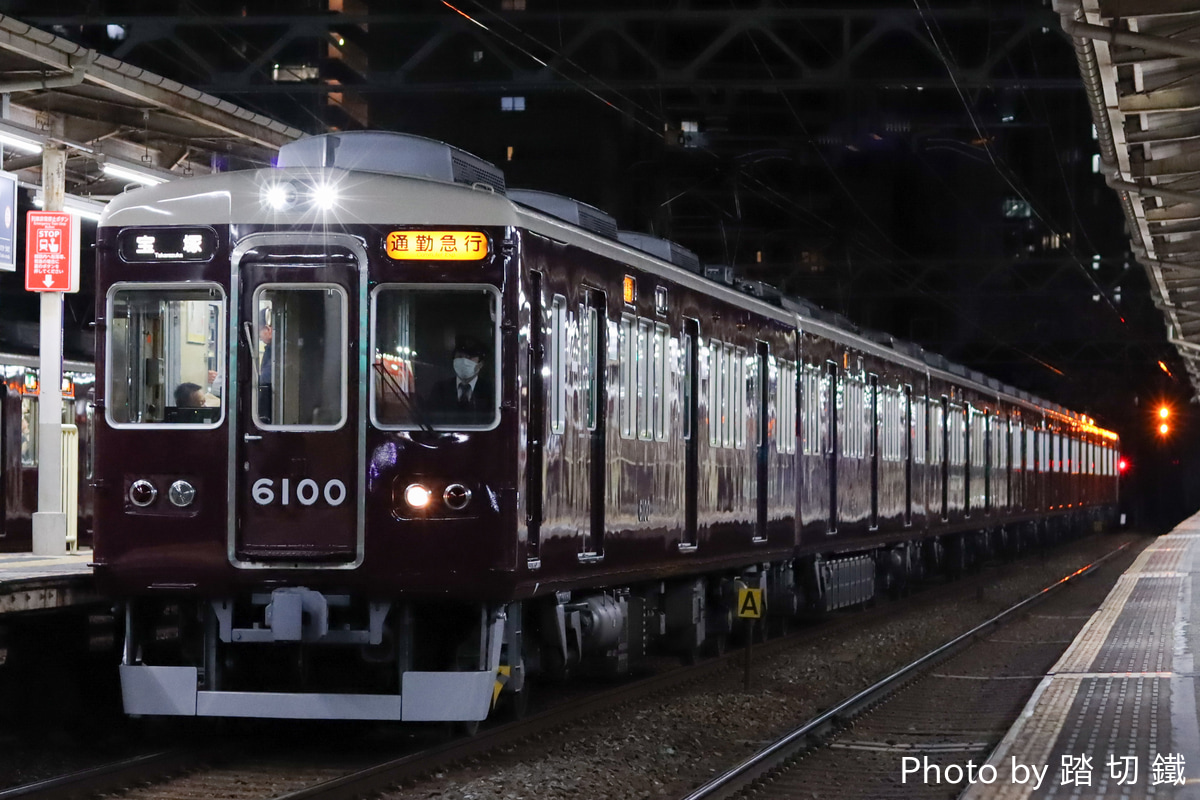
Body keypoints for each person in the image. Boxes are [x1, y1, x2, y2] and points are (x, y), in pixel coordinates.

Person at [428, 336, 493, 421]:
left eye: (469, 357)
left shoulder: (490, 390)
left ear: (480, 364)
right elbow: (432, 418)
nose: (464, 361)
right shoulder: (440, 388)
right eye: (460, 356)